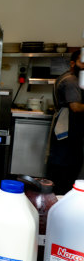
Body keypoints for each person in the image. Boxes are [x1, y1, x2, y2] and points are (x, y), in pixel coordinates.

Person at [47, 49, 84, 194]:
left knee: (61, 166)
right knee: (65, 169)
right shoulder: (71, 80)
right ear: (73, 63)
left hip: (69, 129)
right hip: (68, 129)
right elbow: (75, 107)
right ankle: (59, 199)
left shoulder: (69, 77)